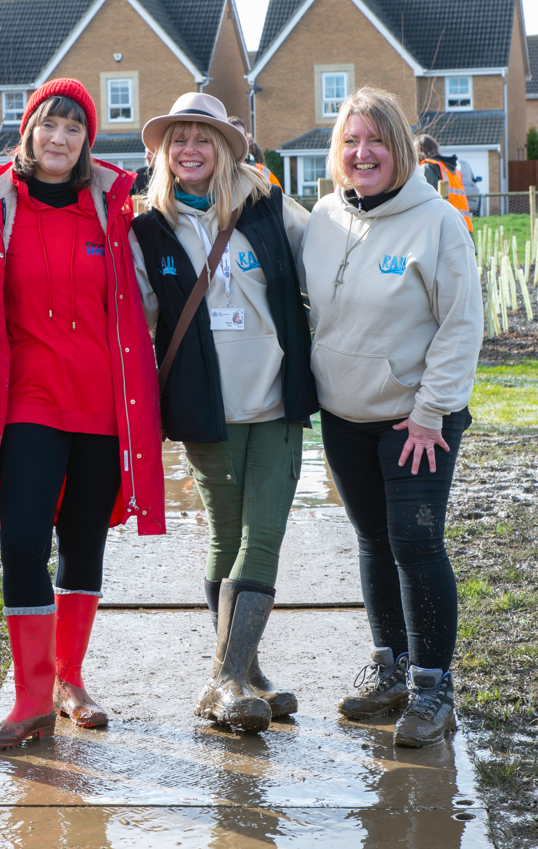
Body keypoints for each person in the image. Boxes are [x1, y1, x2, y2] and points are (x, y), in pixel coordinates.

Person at [0, 78, 164, 749]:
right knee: (21, 539)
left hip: (103, 402)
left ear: (87, 141)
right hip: (28, 399)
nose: (60, 137)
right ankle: (29, 697)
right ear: (27, 132)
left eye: (74, 127)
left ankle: (70, 681)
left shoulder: (113, 209)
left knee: (84, 540)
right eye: (49, 124)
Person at [297, 87, 483, 747]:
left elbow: (461, 323)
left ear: (399, 148)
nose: (361, 152)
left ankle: (432, 687)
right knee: (373, 540)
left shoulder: (435, 222)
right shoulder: (321, 219)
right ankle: (391, 670)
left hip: (416, 419)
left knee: (414, 540)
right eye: (350, 141)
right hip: (343, 415)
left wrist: (432, 411)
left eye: (374, 139)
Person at [131, 94, 317, 733]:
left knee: (262, 536)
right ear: (162, 152)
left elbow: (327, 261)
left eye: (202, 138)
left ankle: (229, 677)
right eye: (177, 138)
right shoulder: (148, 229)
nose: (189, 149)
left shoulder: (269, 211)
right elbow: (141, 321)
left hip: (275, 402)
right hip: (204, 408)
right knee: (225, 536)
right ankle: (241, 672)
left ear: (227, 148)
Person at [417, 134, 475, 231]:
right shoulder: (453, 170)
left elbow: (427, 203)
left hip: (448, 229)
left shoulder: (428, 167)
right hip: (465, 226)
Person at [229, 115, 281, 187]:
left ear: (247, 140)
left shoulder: (263, 173)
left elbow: (280, 197)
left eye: (241, 136)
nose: (236, 141)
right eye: (232, 136)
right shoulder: (214, 171)